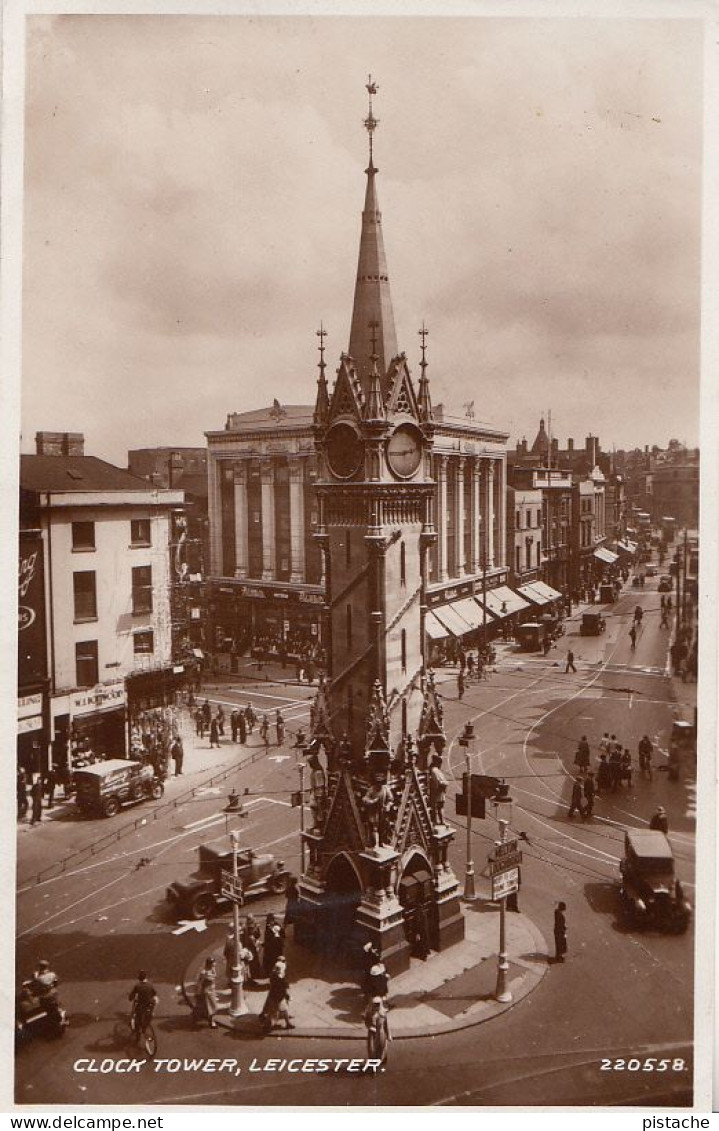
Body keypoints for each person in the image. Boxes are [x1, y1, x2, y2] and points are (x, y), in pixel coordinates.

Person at [260, 956, 294, 1030]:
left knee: (279, 1010)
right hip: (278, 997)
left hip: (274, 996)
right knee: (276, 1011)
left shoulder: (273, 975)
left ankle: (287, 1023)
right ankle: (267, 1026)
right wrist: (287, 995)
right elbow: (282, 988)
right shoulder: (280, 978)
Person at [128, 970, 158, 1037]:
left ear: (139, 978)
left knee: (137, 1017)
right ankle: (145, 1027)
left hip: (142, 1005)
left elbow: (131, 996)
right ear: (146, 977)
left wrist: (130, 998)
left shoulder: (137, 986)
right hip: (150, 1005)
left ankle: (138, 1032)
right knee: (148, 1016)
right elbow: (154, 994)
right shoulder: (150, 985)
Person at [364, 995, 391, 1064]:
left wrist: (389, 1035)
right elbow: (367, 1023)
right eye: (375, 1005)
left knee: (381, 1047)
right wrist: (371, 1027)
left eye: (378, 1005)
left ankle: (383, 1058)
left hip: (381, 1033)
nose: (376, 1006)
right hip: (372, 1034)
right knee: (372, 1048)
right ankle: (373, 1062)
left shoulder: (383, 1013)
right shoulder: (369, 1013)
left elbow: (386, 1025)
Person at [195, 957, 218, 1028]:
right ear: (209, 964)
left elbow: (213, 978)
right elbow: (200, 982)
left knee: (208, 1007)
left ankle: (208, 1019)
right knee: (213, 1007)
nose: (215, 963)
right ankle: (212, 1022)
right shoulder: (204, 972)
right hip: (207, 992)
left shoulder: (213, 969)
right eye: (213, 962)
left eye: (214, 962)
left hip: (212, 990)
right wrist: (198, 992)